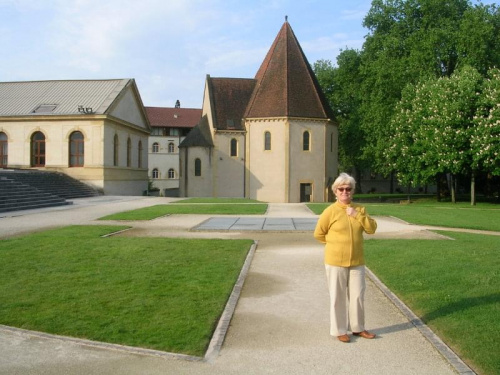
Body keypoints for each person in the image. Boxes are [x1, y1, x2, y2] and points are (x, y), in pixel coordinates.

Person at [313, 172, 377, 343]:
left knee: (357, 296)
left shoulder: (360, 209)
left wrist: (357, 215)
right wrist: (334, 245)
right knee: (338, 296)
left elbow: (371, 229)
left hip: (357, 261)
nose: (344, 192)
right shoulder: (330, 211)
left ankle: (358, 328)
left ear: (352, 191)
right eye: (341, 189)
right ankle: (340, 330)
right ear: (335, 191)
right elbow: (319, 234)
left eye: (348, 189)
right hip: (335, 261)